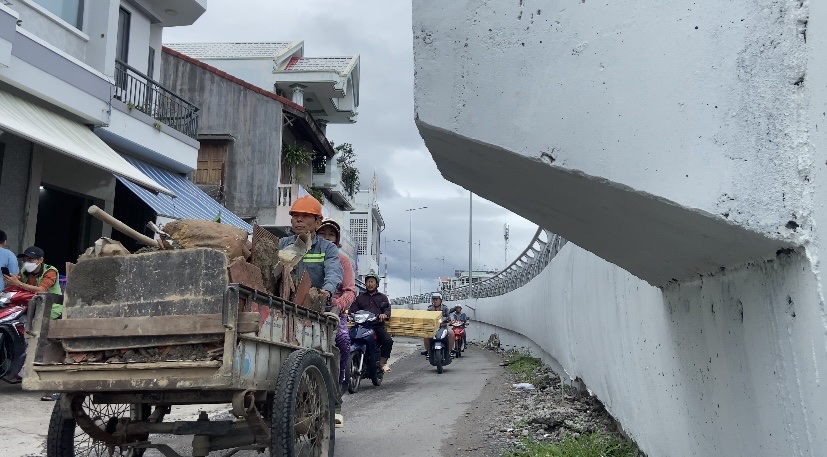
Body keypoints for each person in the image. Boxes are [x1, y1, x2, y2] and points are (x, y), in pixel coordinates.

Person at [3, 246, 63, 400]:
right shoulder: (24, 272)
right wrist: (11, 282)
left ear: (40, 260)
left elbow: (42, 289)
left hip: (52, 310)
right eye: (25, 259)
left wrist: (20, 284)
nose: (26, 262)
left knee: (44, 343)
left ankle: (52, 381)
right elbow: (17, 288)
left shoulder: (51, 271)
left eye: (30, 259)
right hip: (31, 309)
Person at [278, 195, 343, 302]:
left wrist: (327, 291)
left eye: (305, 216)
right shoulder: (282, 243)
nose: (299, 220)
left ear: (318, 223)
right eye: (295, 215)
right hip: (283, 302)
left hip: (313, 305)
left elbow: (333, 272)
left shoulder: (328, 248)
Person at [316, 220, 356, 390]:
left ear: (337, 239)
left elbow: (350, 291)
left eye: (331, 234)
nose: (327, 237)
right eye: (322, 233)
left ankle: (337, 386)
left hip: (334, 311)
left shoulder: (343, 261)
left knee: (342, 339)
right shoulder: (308, 254)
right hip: (307, 307)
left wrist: (338, 304)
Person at [350, 270, 393, 373]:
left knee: (388, 341)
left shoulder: (382, 297)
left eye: (372, 281)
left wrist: (384, 314)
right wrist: (349, 315)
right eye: (368, 281)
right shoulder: (360, 298)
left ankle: (382, 362)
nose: (370, 284)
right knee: (348, 338)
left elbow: (387, 309)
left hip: (377, 326)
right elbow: (352, 310)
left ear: (377, 284)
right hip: (362, 326)